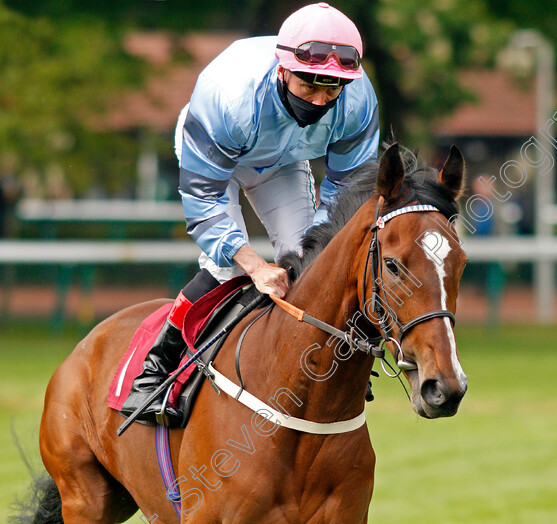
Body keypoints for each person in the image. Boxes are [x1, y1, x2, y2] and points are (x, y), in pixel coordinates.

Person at [121, 2, 381, 425]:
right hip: (217, 156)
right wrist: (257, 267)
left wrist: (310, 250)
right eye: (309, 84)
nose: (319, 100)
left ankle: (324, 354)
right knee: (227, 268)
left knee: (310, 260)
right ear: (283, 69)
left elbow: (346, 190)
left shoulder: (357, 98)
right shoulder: (228, 94)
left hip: (282, 162)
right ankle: (156, 369)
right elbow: (203, 204)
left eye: (331, 89)